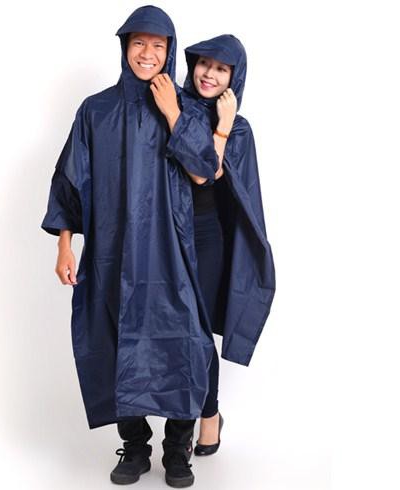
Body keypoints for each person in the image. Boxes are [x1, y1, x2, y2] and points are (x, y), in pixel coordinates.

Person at [40, 5, 224, 488]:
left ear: (169, 52)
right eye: (139, 43)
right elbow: (70, 181)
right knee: (114, 339)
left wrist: (172, 111)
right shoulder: (95, 110)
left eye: (158, 46)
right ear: (125, 47)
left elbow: (204, 170)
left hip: (173, 252)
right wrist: (64, 245)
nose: (147, 54)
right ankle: (136, 446)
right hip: (112, 252)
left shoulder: (188, 108)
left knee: (185, 342)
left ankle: (177, 448)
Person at [150, 33, 277, 461]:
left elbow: (206, 173)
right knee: (169, 326)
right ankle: (192, 419)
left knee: (198, 333)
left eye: (221, 69)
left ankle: (207, 417)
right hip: (163, 233)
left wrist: (221, 126)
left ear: (234, 78)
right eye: (204, 64)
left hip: (207, 238)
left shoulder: (237, 127)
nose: (209, 75)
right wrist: (176, 113)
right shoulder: (172, 106)